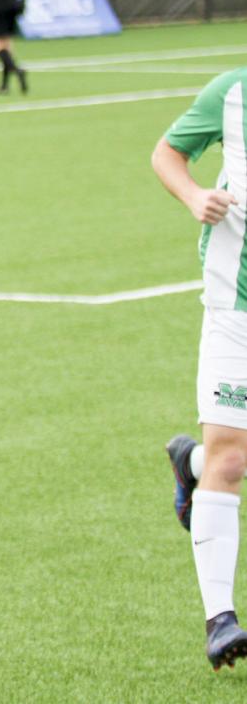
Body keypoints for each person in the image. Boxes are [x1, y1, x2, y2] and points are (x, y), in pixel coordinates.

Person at [152, 66, 247, 670]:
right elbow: (167, 153)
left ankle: (191, 465)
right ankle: (222, 620)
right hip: (234, 301)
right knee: (234, 455)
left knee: (225, 456)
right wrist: (195, 197)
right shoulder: (231, 92)